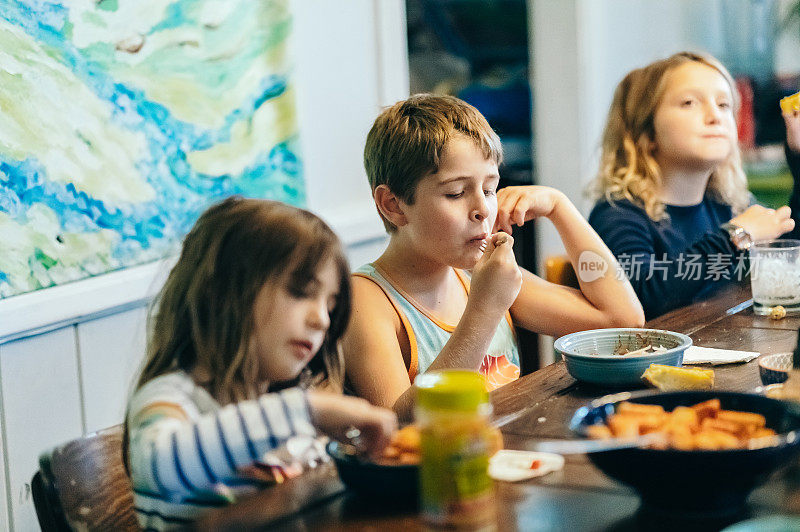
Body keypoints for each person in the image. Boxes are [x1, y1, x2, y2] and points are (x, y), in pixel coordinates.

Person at [343, 94, 644, 419]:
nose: (483, 209)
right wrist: (485, 308)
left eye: (489, 189)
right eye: (456, 193)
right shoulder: (366, 300)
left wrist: (560, 208)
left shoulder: (475, 272)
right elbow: (398, 427)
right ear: (393, 205)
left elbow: (623, 321)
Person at [124, 197, 397, 530]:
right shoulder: (170, 399)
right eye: (301, 292)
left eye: (330, 305)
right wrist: (306, 410)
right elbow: (161, 465)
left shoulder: (284, 415)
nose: (322, 320)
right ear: (222, 292)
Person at [588, 51, 796, 320]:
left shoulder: (727, 204)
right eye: (689, 103)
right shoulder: (617, 214)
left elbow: (791, 255)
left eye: (724, 105)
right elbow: (642, 297)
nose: (715, 116)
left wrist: (798, 155)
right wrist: (735, 237)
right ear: (647, 132)